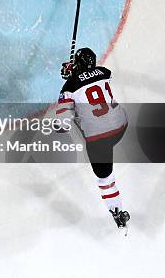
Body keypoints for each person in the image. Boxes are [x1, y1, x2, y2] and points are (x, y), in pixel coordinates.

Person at [56, 48, 130, 231]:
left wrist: (69, 83)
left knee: (105, 179)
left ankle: (117, 211)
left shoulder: (69, 86)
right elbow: (90, 80)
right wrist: (76, 73)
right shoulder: (104, 73)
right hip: (121, 127)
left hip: (99, 140)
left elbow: (63, 123)